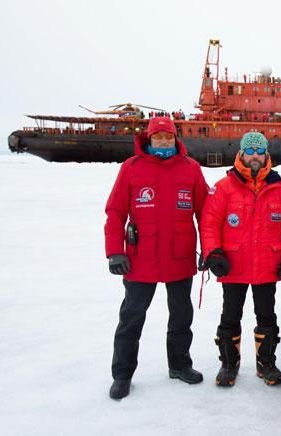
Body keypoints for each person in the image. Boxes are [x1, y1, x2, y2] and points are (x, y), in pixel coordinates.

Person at [104, 116, 209, 400]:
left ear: (176, 139)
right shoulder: (132, 168)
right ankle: (122, 375)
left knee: (181, 317)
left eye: (169, 137)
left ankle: (179, 365)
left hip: (180, 256)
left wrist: (210, 250)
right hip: (140, 260)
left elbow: (206, 215)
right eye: (158, 137)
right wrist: (115, 251)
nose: (164, 141)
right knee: (131, 319)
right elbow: (115, 212)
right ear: (148, 139)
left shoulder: (191, 169)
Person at [199, 132, 281, 387]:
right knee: (229, 316)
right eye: (250, 151)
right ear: (242, 153)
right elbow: (210, 223)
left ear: (266, 154)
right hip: (233, 266)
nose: (254, 156)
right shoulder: (224, 187)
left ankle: (266, 363)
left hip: (268, 265)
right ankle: (228, 364)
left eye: (259, 151)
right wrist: (213, 253)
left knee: (267, 316)